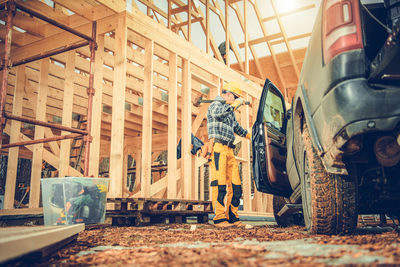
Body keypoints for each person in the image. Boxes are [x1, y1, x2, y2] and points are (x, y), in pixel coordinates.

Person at [206, 81, 253, 229]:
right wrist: (234, 105)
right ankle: (219, 219)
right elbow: (219, 115)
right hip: (218, 148)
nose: (235, 99)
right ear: (227, 94)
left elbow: (238, 129)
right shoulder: (215, 105)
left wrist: (252, 135)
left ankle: (232, 217)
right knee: (219, 184)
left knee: (236, 185)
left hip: (229, 150)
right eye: (235, 96)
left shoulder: (230, 111)